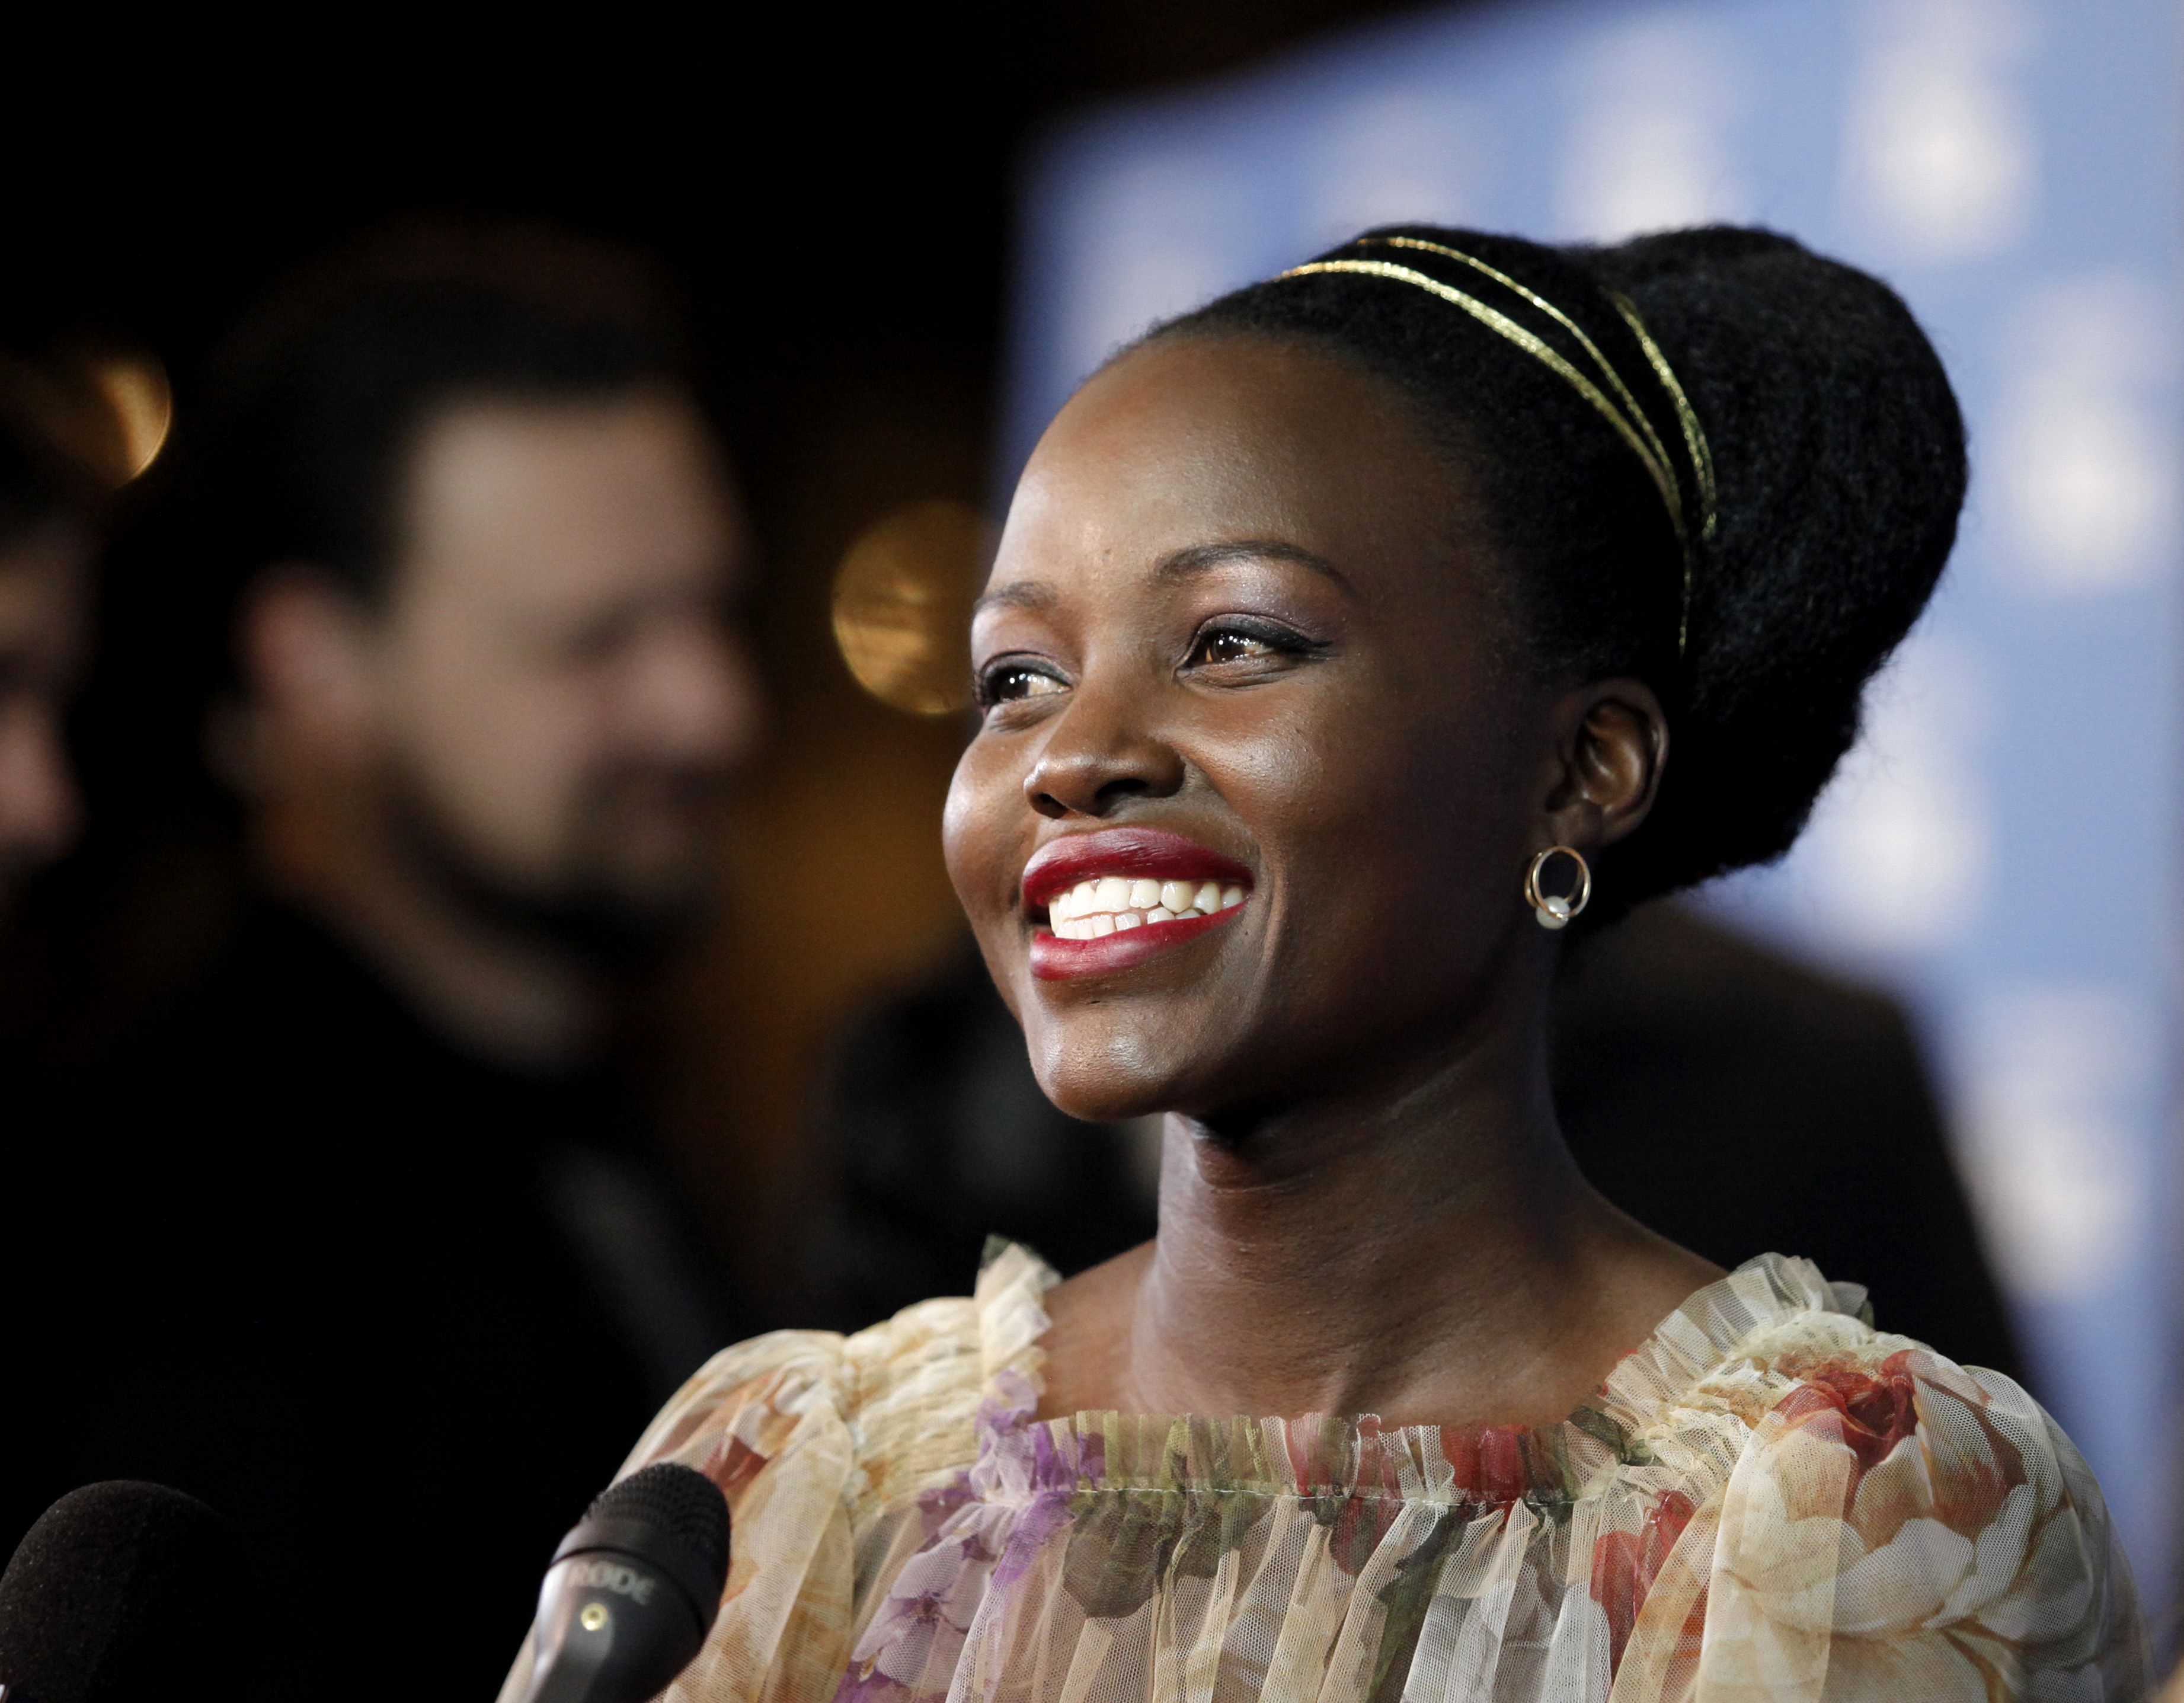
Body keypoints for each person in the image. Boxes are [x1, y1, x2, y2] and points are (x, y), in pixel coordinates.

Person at [554, 225, 2145, 1701]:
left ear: (1580, 767)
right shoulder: (796, 1477)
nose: (1073, 755)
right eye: (1016, 677)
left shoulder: (1848, 1518)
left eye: (1233, 640)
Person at [16, 223, 759, 1699]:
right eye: (594, 642)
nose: (709, 707)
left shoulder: (609, 1132)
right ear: (315, 663)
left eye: (712, 612)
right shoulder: (172, 1241)